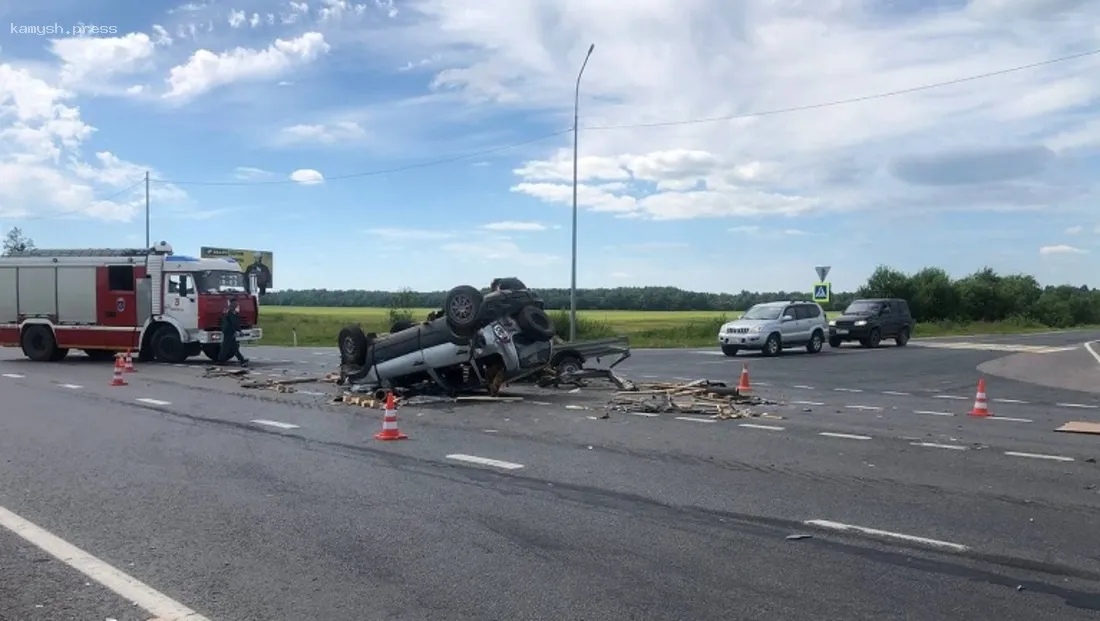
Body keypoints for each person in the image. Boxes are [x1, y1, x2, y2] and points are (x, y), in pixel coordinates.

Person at [218, 300, 249, 366]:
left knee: (232, 347)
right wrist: (239, 331)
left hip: (228, 331)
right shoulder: (232, 314)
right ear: (234, 307)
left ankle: (241, 359)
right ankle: (221, 360)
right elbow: (235, 323)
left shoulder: (229, 312)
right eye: (238, 307)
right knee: (226, 346)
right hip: (229, 331)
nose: (239, 309)